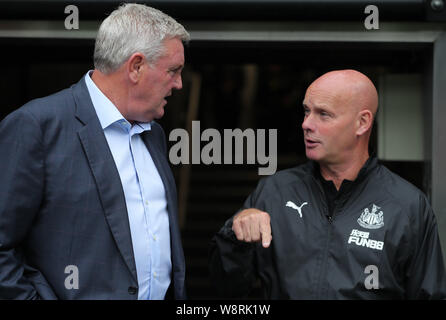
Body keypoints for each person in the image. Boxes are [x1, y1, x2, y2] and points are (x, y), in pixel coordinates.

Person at [0, 3, 189, 300]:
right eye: (173, 71)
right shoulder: (36, 126)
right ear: (136, 66)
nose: (178, 84)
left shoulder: (154, 135)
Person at [209, 69, 446, 299]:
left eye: (323, 114)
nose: (306, 124)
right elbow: (227, 289)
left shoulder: (407, 205)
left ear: (362, 123)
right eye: (306, 111)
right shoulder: (275, 192)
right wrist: (236, 236)